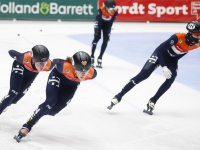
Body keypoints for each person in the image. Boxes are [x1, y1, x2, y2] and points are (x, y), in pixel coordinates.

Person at [108, 20, 200, 115]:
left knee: (171, 79)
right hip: (160, 54)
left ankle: (153, 101)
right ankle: (118, 96)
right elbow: (159, 50)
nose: (199, 36)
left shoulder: (198, 43)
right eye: (197, 34)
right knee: (143, 75)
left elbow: (184, 52)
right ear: (190, 32)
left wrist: (174, 61)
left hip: (172, 59)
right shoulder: (177, 37)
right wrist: (163, 66)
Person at [14, 51, 97, 142]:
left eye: (86, 70)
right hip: (57, 77)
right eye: (80, 70)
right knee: (51, 101)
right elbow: (55, 61)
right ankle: (28, 125)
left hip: (71, 85)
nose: (83, 74)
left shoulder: (92, 73)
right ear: (73, 66)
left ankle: (40, 113)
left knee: (53, 111)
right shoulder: (64, 67)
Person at [0, 45, 53, 115]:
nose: (43, 66)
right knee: (13, 93)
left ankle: (5, 104)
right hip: (20, 65)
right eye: (40, 63)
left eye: (45, 62)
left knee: (16, 98)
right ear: (33, 59)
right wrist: (19, 55)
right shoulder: (23, 58)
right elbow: (11, 51)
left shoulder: (49, 66)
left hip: (32, 73)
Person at [91, 0, 118, 68]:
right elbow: (98, 21)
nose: (112, 10)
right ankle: (92, 56)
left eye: (113, 8)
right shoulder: (101, 10)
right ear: (106, 7)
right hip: (100, 23)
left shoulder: (115, 12)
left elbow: (111, 23)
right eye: (111, 8)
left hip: (107, 24)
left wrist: (108, 31)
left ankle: (100, 57)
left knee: (106, 39)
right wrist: (97, 30)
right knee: (97, 38)